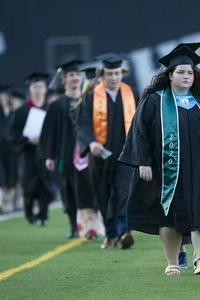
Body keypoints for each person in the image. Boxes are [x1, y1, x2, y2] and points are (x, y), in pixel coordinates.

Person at [118, 43, 200, 275]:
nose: (186, 76)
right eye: (181, 72)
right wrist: (143, 161)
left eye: (190, 72)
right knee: (168, 216)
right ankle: (173, 262)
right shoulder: (154, 100)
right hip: (167, 170)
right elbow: (139, 132)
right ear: (170, 75)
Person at [77, 53, 138, 249]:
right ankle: (110, 233)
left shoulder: (132, 94)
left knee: (122, 192)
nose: (113, 77)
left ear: (122, 73)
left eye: (117, 73)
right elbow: (82, 125)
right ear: (102, 75)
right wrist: (92, 143)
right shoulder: (90, 98)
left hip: (125, 154)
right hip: (100, 155)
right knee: (102, 194)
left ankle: (123, 231)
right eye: (109, 74)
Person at [39, 59, 97, 239]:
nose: (75, 78)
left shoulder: (89, 100)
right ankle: (74, 226)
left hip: (87, 154)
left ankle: (91, 227)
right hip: (66, 155)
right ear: (64, 79)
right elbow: (48, 133)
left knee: (91, 189)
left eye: (78, 74)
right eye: (71, 75)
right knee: (69, 191)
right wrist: (49, 155)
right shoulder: (57, 106)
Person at [8, 72, 55, 226]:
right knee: (29, 185)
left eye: (40, 86)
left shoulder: (51, 110)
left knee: (45, 184)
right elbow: (13, 134)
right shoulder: (22, 111)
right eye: (35, 86)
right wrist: (27, 139)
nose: (38, 89)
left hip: (46, 153)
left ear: (45, 88)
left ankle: (43, 215)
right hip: (28, 153)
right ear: (30, 89)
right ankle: (28, 211)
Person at [0, 84, 19, 214]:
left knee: (11, 176)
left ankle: (8, 201)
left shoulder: (14, 114)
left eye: (4, 97)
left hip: (12, 148)